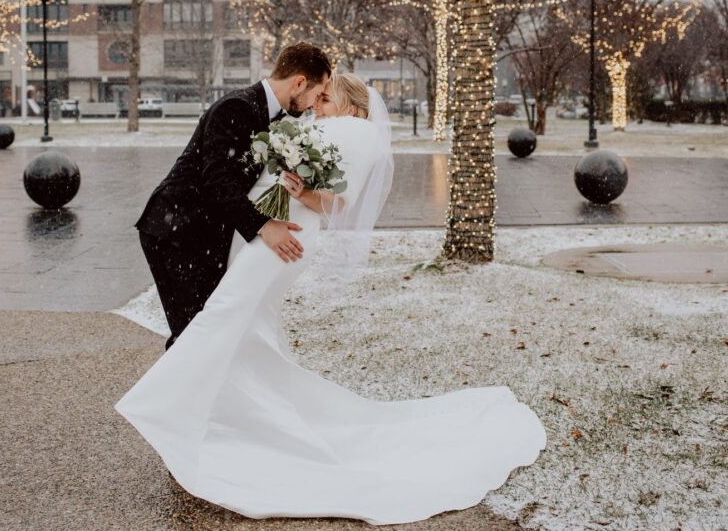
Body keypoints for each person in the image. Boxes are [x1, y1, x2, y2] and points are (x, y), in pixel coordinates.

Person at [115, 72, 547, 526]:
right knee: (246, 325)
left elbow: (338, 203)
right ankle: (236, 414)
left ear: (353, 106)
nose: (318, 105)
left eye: (327, 98)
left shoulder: (353, 132)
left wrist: (302, 190)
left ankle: (169, 404)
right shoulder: (331, 129)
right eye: (318, 97)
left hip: (285, 239)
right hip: (269, 232)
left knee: (228, 312)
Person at [134, 43, 332, 350]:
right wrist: (265, 226)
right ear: (299, 82)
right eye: (316, 94)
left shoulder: (275, 117)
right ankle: (174, 396)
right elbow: (216, 180)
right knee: (195, 335)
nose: (313, 104)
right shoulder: (236, 107)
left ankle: (193, 394)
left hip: (207, 233)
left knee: (209, 330)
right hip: (176, 230)